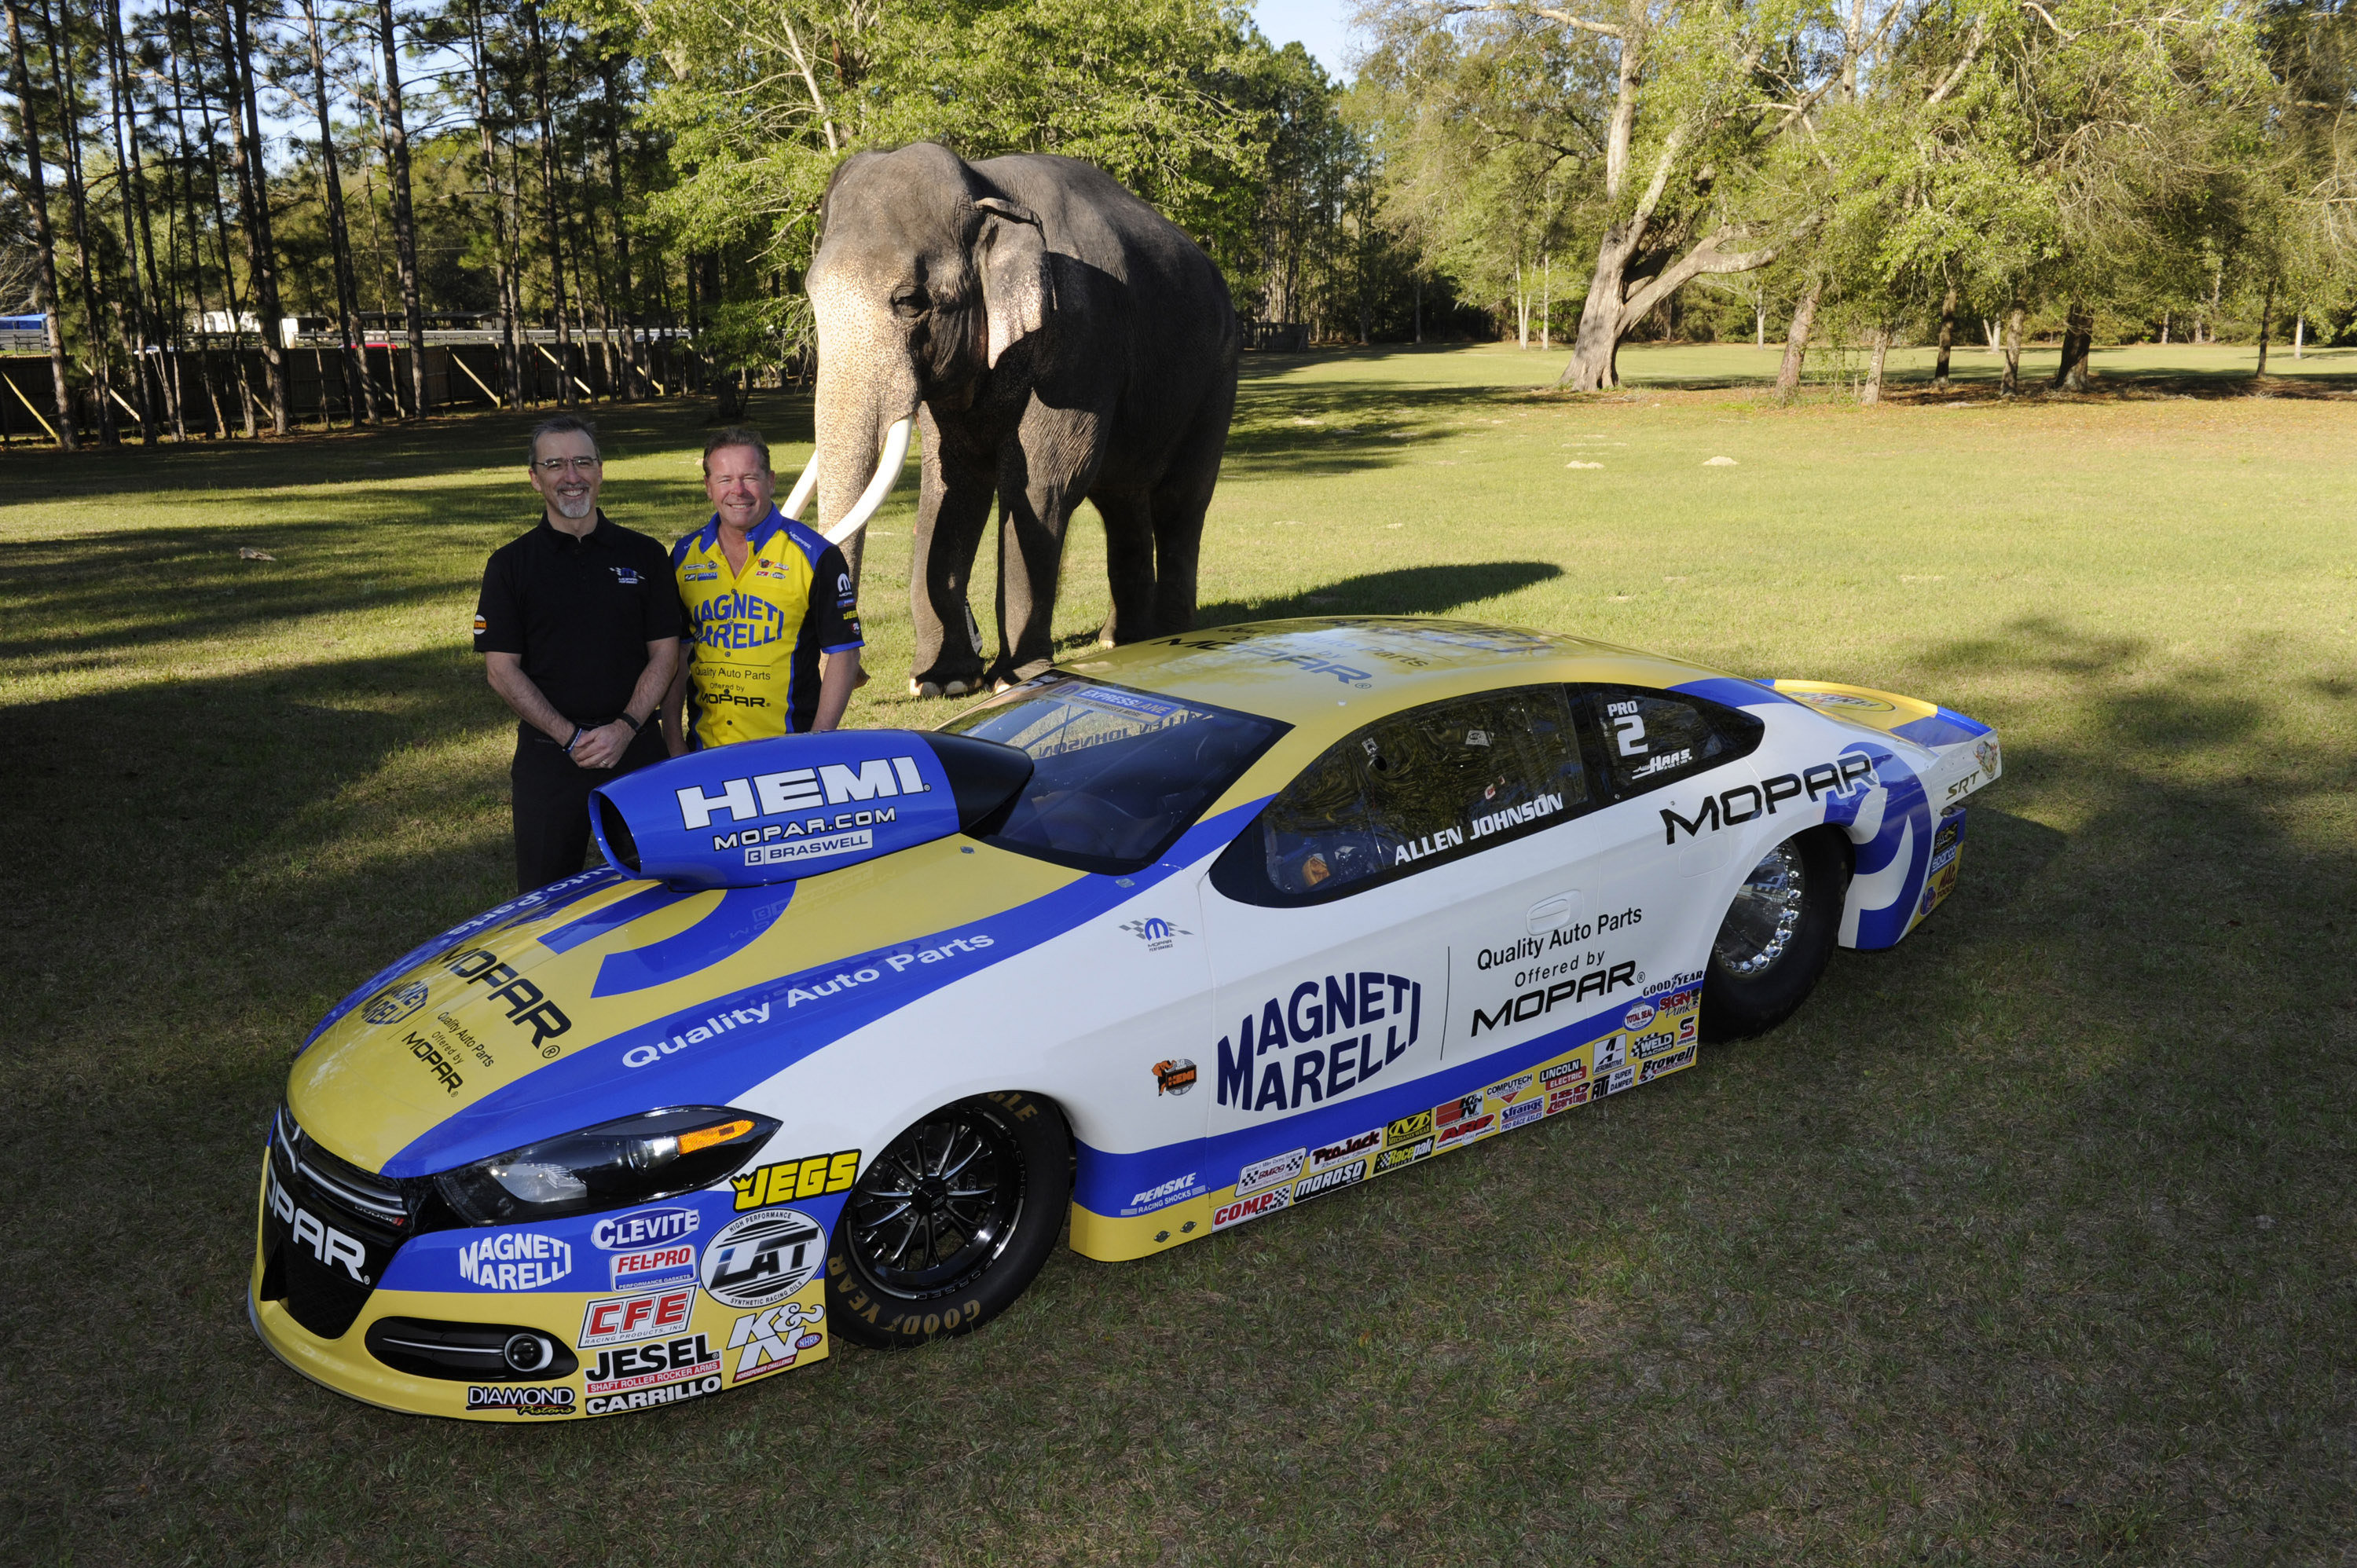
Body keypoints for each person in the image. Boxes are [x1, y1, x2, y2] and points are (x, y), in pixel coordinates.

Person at [473, 415, 681, 892]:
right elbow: (501, 671)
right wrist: (571, 738)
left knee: (658, 890)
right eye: (555, 464)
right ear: (535, 478)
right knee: (544, 899)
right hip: (550, 758)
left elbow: (666, 654)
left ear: (601, 470)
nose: (571, 476)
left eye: (582, 462)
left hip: (637, 751)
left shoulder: (645, 555)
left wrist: (625, 728)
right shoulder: (509, 566)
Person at [665, 427, 864, 751]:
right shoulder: (685, 556)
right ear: (708, 487)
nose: (738, 490)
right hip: (703, 753)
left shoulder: (816, 556)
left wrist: (817, 742)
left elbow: (844, 653)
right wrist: (673, 741)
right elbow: (675, 652)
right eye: (724, 479)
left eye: (750, 478)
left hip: (786, 751)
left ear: (770, 481)